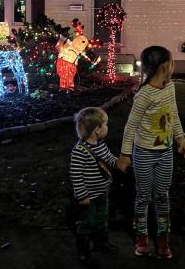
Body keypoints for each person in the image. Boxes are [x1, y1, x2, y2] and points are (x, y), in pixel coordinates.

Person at [117, 46, 185, 259]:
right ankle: (142, 237)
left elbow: (173, 113)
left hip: (165, 153)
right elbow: (130, 126)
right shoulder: (144, 95)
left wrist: (180, 137)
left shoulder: (170, 87)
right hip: (144, 154)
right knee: (143, 197)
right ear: (165, 66)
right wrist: (125, 154)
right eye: (172, 62)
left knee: (162, 196)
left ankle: (163, 238)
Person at [70, 107, 120, 265]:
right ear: (97, 130)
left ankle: (101, 243)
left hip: (102, 192)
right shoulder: (79, 151)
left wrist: (118, 163)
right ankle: (83, 251)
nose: (107, 127)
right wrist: (82, 196)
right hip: (89, 197)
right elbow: (76, 176)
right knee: (87, 223)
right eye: (106, 124)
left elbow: (108, 158)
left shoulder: (101, 144)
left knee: (102, 219)